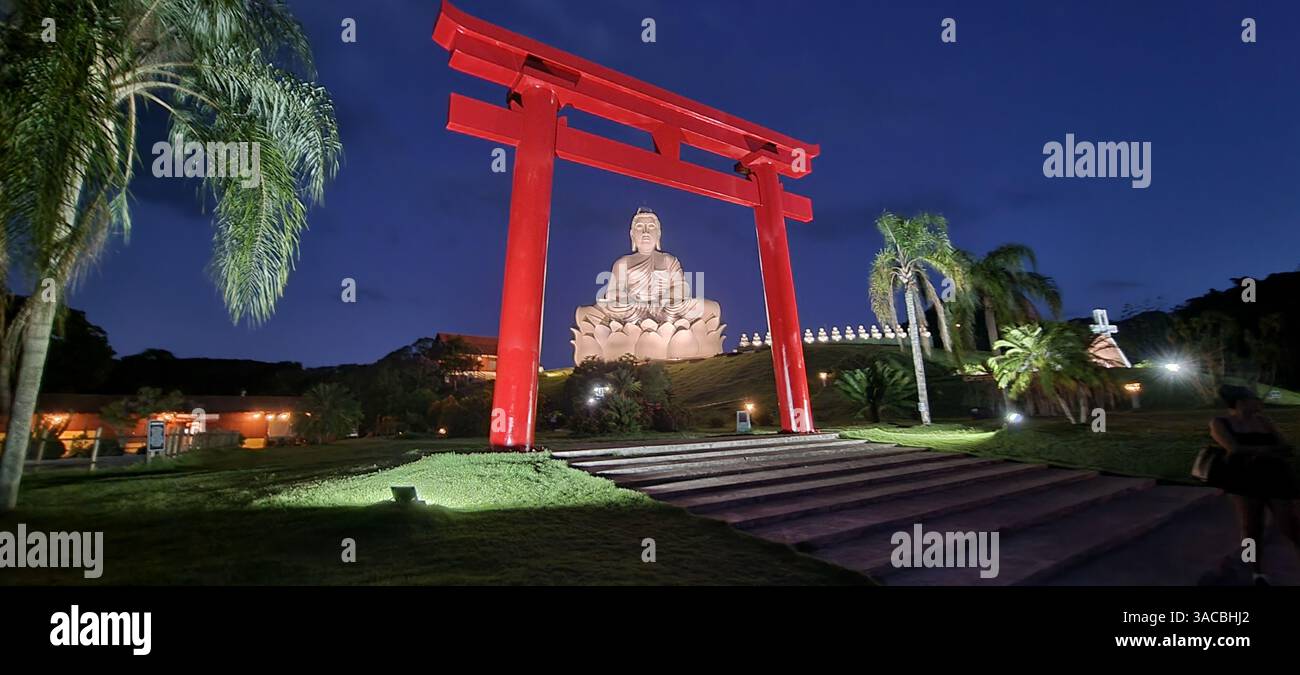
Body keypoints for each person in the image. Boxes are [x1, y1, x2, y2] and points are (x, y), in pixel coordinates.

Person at [1207, 384, 1300, 585]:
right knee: (1250, 528)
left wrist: (1256, 451)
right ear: (1241, 403)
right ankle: (1255, 570)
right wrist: (1269, 450)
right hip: (1244, 479)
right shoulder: (1220, 422)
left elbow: (1285, 446)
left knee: (1290, 524)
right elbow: (1234, 448)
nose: (1260, 402)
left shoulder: (1264, 421)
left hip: (1276, 476)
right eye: (1254, 399)